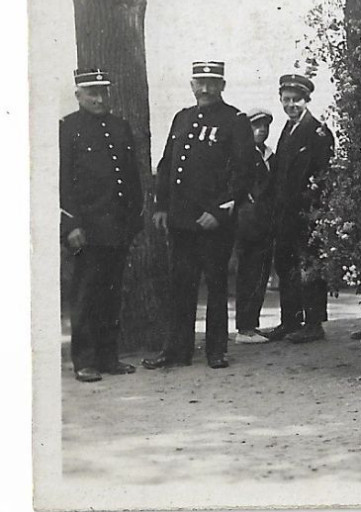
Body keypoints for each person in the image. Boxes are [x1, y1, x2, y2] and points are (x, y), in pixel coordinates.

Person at [144, 61, 255, 371]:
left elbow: (244, 171)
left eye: (212, 83)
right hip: (181, 221)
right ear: (191, 85)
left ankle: (216, 350)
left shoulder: (234, 120)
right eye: (199, 82)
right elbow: (168, 164)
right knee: (180, 286)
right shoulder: (183, 118)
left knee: (216, 287)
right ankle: (176, 350)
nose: (205, 89)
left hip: (213, 222)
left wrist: (219, 210)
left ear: (222, 86)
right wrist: (162, 205)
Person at [60, 68, 142, 383]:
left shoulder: (119, 127)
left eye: (102, 92)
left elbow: (131, 177)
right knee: (85, 295)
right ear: (78, 95)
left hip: (117, 227)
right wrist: (71, 226)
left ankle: (109, 357)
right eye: (91, 93)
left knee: (111, 295)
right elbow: (63, 181)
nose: (98, 98)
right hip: (87, 228)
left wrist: (134, 217)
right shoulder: (68, 128)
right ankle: (84, 360)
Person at [262, 73, 335, 344]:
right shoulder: (287, 129)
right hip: (285, 212)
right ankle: (290, 320)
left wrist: (309, 204)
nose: (291, 105)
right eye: (287, 100)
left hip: (307, 212)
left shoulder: (318, 132)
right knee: (285, 264)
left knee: (310, 265)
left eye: (296, 100)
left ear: (307, 100)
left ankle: (314, 323)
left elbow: (324, 175)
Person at [232, 108, 277, 342]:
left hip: (265, 223)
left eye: (265, 126)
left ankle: (252, 324)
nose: (261, 131)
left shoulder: (268, 154)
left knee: (259, 273)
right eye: (256, 126)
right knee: (249, 273)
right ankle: (245, 327)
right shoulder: (244, 154)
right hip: (249, 223)